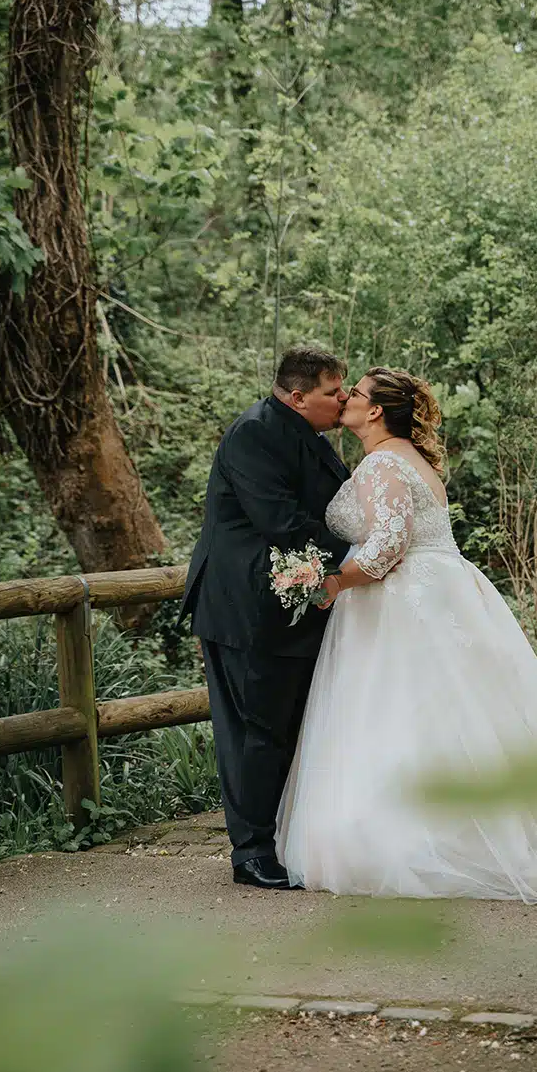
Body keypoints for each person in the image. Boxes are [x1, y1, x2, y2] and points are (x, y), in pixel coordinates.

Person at [276, 367, 537, 903]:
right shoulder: (411, 461)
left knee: (402, 711)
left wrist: (326, 582)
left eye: (357, 394)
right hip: (441, 590)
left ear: (375, 412)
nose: (346, 398)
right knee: (456, 713)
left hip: (400, 598)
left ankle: (428, 837)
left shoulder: (383, 463)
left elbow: (387, 547)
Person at [178, 347, 351, 889]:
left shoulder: (306, 434)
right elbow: (282, 521)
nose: (343, 399)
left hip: (288, 607)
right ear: (298, 397)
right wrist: (364, 553)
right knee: (255, 730)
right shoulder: (254, 433)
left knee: (281, 728)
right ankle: (250, 853)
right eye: (333, 392)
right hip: (247, 608)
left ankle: (278, 837)